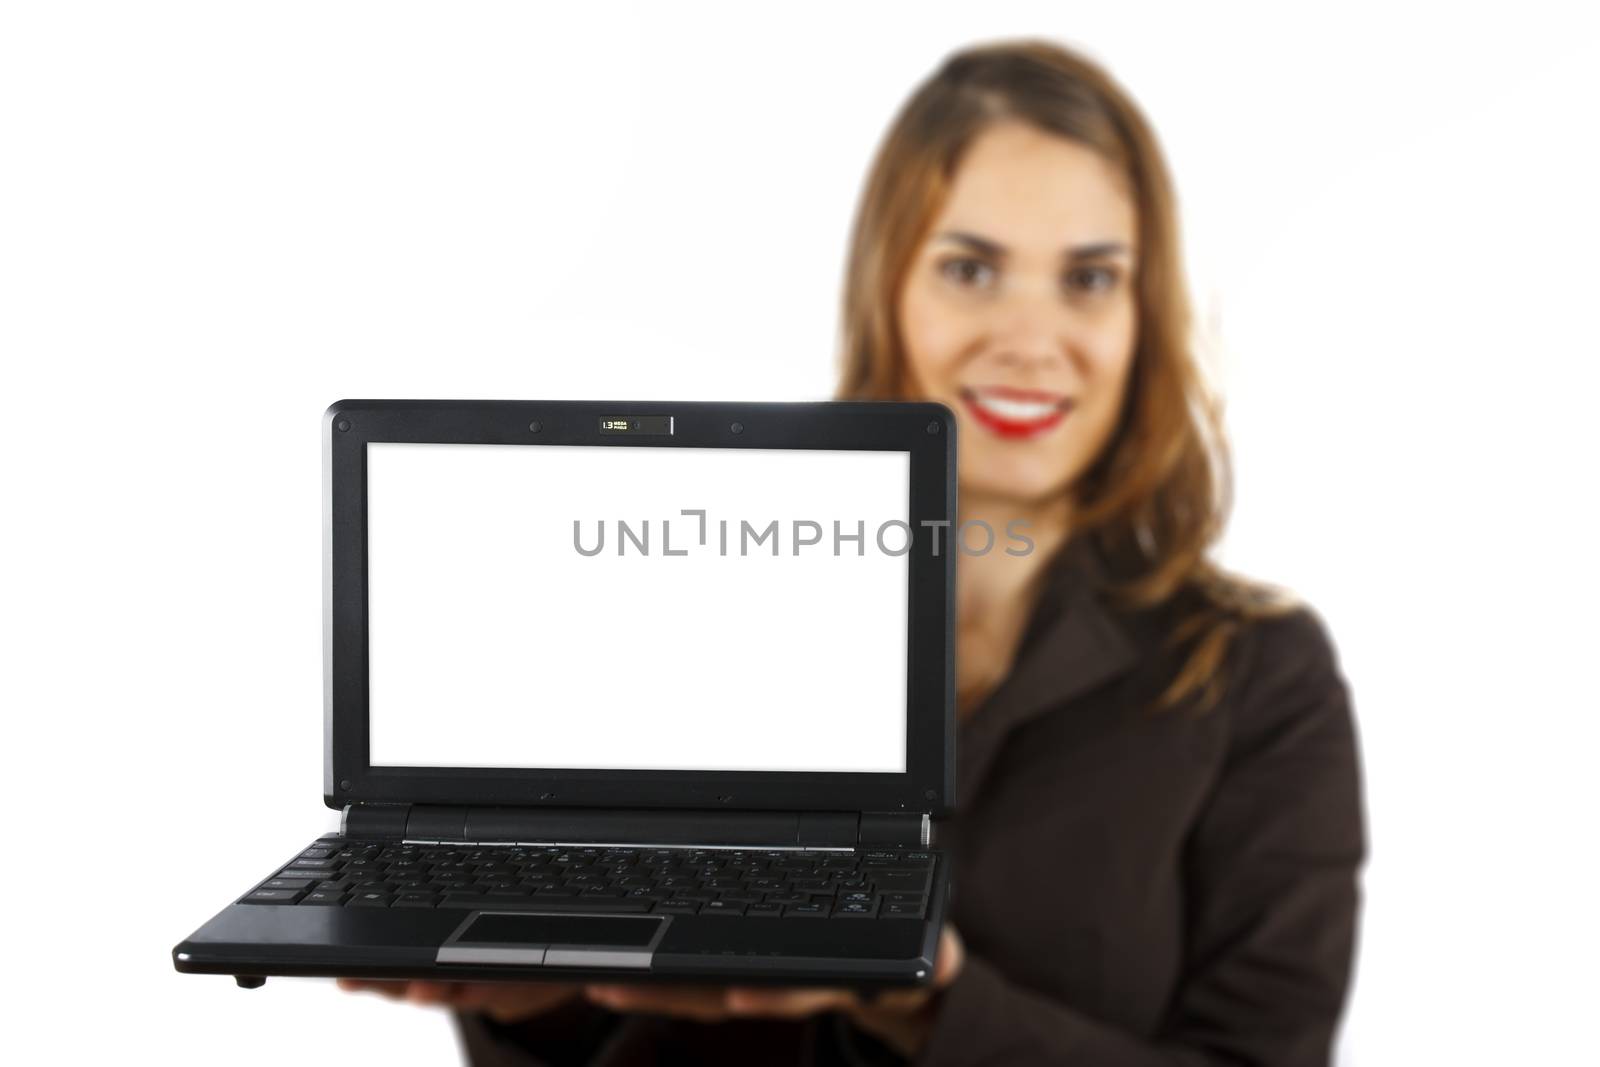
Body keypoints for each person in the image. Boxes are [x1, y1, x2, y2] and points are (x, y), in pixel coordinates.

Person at [338, 38, 1366, 1066]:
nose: (1028, 336)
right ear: (890, 289)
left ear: (1142, 314)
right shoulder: (707, 600)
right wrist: (530, 1002)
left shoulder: (1255, 677)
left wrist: (929, 1000)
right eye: (970, 268)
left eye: (1089, 278)